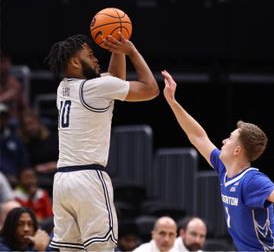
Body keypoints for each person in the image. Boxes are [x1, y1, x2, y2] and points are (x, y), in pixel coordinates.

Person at [161, 70, 274, 251]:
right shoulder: (224, 167)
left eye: (229, 138)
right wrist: (172, 101)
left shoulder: (251, 180)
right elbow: (197, 136)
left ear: (237, 150)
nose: (224, 141)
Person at [44, 33, 159, 251]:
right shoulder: (95, 88)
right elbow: (150, 89)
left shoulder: (63, 88)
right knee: (103, 248)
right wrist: (131, 51)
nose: (96, 59)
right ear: (75, 62)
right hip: (88, 179)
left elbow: (114, 80)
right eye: (90, 55)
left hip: (62, 182)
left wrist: (116, 49)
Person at [0, 102, 31, 186]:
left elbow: (24, 164)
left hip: (14, 183)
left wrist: (19, 178)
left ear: (6, 119)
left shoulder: (16, 140)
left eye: (2, 118)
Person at [0, 53, 30, 125]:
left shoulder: (15, 84)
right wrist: (5, 97)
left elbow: (25, 107)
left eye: (6, 62)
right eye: (1, 62)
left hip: (13, 121)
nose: (4, 66)